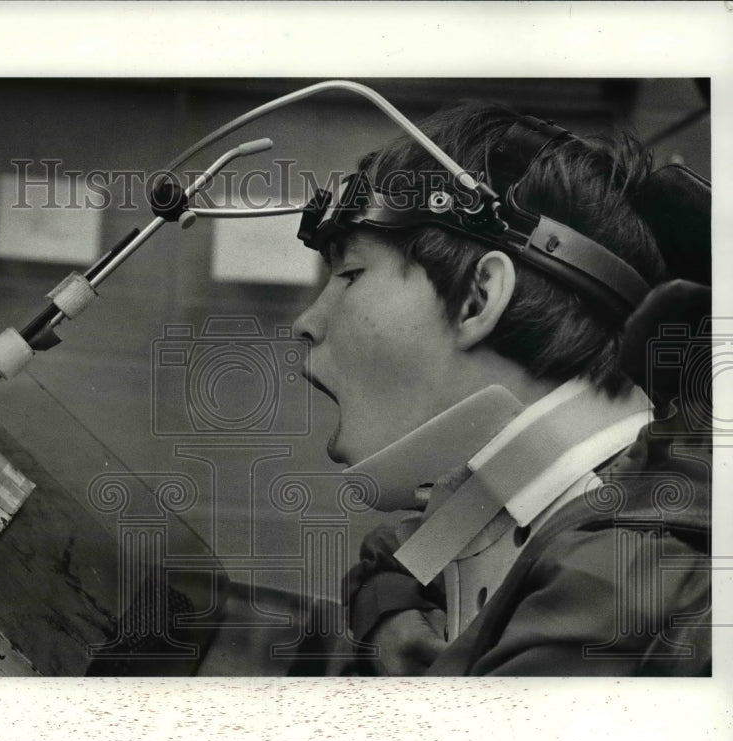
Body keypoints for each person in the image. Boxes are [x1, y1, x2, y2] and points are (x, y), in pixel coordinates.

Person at [291, 101, 711, 675]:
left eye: (349, 275)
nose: (308, 322)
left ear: (477, 298)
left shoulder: (629, 580)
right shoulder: (523, 505)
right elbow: (392, 562)